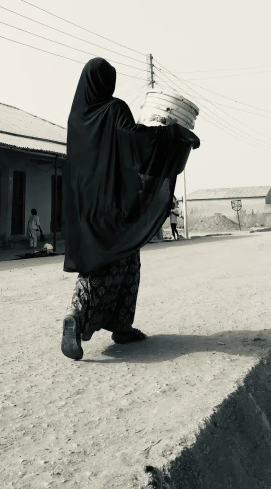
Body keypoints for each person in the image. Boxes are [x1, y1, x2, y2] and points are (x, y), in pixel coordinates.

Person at [61, 57, 200, 361]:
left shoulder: (76, 117)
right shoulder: (114, 109)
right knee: (112, 264)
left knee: (114, 259)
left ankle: (121, 325)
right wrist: (173, 134)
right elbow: (137, 141)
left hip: (84, 208)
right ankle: (77, 318)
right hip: (114, 204)